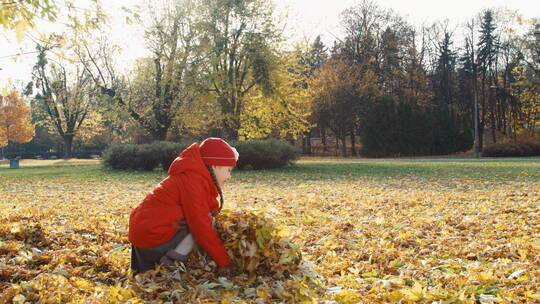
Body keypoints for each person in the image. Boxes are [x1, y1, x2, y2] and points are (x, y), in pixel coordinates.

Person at [128, 138, 238, 275]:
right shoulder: (194, 181)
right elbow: (201, 225)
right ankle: (170, 265)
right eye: (228, 170)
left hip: (143, 234)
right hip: (151, 238)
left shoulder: (192, 176)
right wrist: (224, 262)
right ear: (215, 166)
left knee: (200, 220)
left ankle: (152, 265)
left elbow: (206, 205)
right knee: (202, 225)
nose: (229, 176)